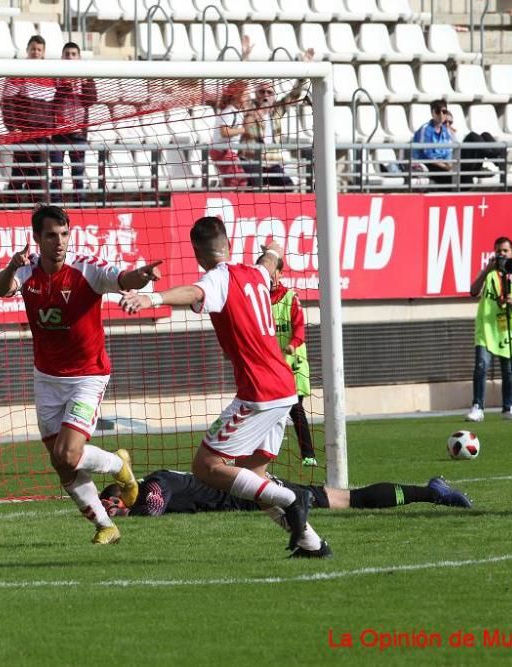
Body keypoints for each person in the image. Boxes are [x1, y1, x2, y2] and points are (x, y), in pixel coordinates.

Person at [119, 216, 329, 559]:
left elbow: (195, 292)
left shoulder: (218, 278)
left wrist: (151, 299)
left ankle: (293, 498)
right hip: (283, 389)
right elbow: (271, 257)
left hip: (258, 393)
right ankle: (313, 544)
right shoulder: (255, 272)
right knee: (251, 477)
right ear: (228, 243)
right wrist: (273, 250)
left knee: (206, 466)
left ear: (197, 254)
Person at [0, 205, 163, 544]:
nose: (59, 242)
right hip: (46, 379)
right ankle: (106, 526)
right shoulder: (26, 273)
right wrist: (12, 264)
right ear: (37, 238)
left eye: (64, 234)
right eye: (52, 235)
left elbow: (121, 279)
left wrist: (140, 276)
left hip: (87, 376)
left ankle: (119, 467)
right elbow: (0, 290)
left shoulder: (87, 269)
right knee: (62, 465)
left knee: (67, 453)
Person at [99, 471, 472, 517]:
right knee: (343, 499)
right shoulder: (156, 484)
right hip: (252, 491)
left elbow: (152, 505)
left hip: (255, 492)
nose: (116, 503)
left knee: (348, 500)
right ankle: (431, 490)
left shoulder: (153, 483)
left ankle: (431, 492)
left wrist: (125, 513)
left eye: (114, 497)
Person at [466, 236, 512, 422]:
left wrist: (511, 301)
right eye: (498, 251)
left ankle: (508, 407)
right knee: (481, 366)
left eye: (505, 251)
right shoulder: (490, 273)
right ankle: (478, 407)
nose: (502, 254)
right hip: (487, 328)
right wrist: (486, 270)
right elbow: (473, 291)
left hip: (507, 329)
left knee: (508, 369)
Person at [239, 48, 314, 189]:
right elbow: (241, 90)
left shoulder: (277, 110)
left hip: (272, 163)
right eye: (262, 91)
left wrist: (304, 69)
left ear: (274, 95)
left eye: (269, 92)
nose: (265, 95)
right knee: (250, 192)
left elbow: (295, 94)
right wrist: (245, 59)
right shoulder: (249, 107)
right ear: (256, 94)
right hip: (250, 161)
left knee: (289, 189)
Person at [270, 257, 317, 467]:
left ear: (280, 273)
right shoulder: (259, 300)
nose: (271, 276)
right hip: (271, 364)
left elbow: (299, 327)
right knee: (267, 410)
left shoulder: (291, 298)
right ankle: (265, 452)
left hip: (293, 364)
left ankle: (308, 455)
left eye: (275, 272)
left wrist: (292, 344)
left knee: (296, 408)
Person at [1, 35, 56, 195]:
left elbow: (53, 106)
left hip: (43, 132)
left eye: (39, 49)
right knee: (20, 171)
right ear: (27, 50)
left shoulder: (51, 76)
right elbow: (7, 101)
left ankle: (36, 210)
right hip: (24, 131)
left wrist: (52, 129)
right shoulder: (18, 73)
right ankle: (11, 208)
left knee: (38, 173)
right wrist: (12, 127)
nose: (35, 52)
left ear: (43, 52)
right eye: (33, 49)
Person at [50, 42, 97, 201]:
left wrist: (84, 85)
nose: (70, 57)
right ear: (62, 57)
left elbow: (91, 100)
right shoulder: (55, 77)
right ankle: (55, 205)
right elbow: (50, 101)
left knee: (78, 172)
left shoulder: (86, 77)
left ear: (79, 57)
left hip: (78, 133)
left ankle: (80, 204)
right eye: (67, 54)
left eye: (73, 54)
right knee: (56, 172)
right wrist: (64, 88)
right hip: (58, 132)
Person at [209, 80, 250, 189]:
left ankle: (233, 199)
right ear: (237, 96)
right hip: (222, 152)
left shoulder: (237, 111)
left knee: (240, 182)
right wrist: (243, 130)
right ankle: (229, 200)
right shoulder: (229, 112)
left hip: (229, 153)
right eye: (246, 95)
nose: (248, 98)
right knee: (236, 181)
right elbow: (224, 132)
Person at [411, 99, 455, 186]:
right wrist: (445, 166)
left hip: (441, 163)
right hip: (426, 163)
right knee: (449, 177)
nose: (441, 115)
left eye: (444, 111)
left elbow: (448, 151)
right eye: (438, 112)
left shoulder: (446, 131)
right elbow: (428, 154)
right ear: (433, 113)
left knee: (462, 176)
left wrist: (449, 164)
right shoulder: (425, 129)